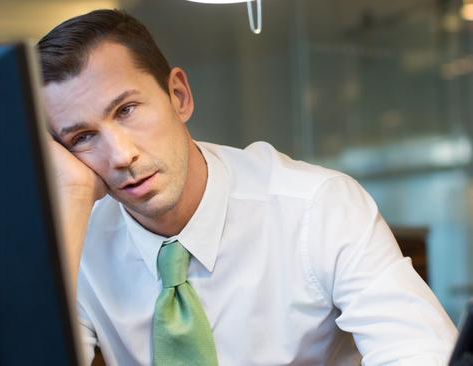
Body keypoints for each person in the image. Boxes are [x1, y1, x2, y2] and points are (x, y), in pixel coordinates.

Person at [37, 9, 457, 366]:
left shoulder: (317, 206)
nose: (120, 155)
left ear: (179, 96)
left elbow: (422, 354)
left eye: (127, 110)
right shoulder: (80, 237)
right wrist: (71, 198)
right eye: (82, 138)